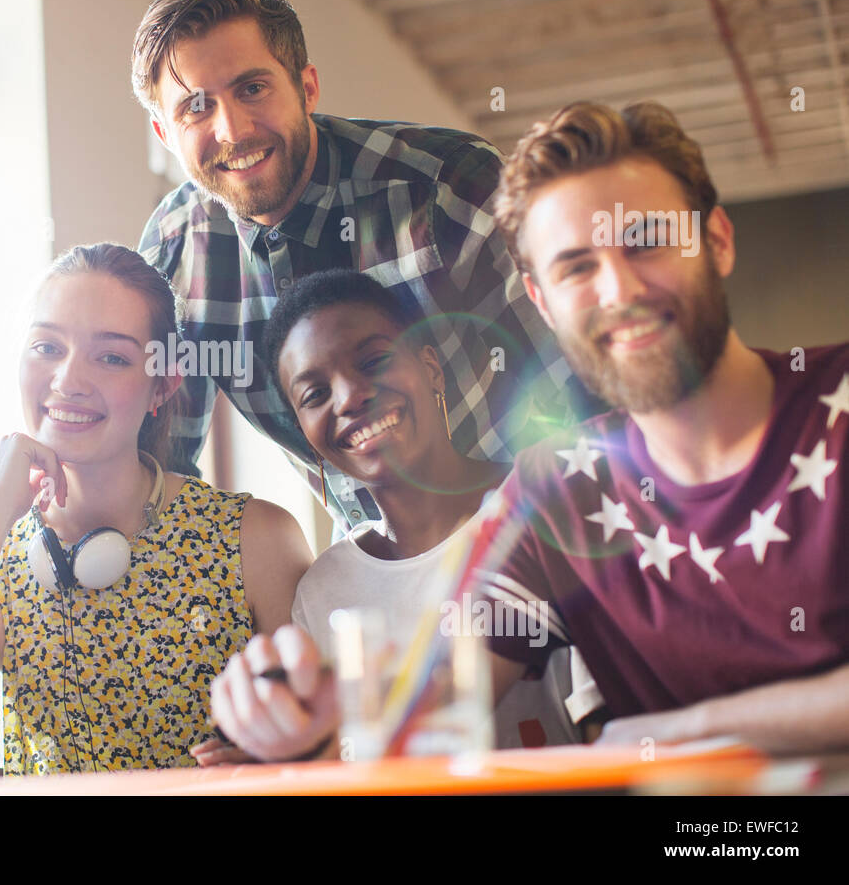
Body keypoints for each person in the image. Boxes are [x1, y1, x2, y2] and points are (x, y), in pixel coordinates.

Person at [225, 100, 848, 757]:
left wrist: (677, 731)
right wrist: (309, 727)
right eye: (577, 266)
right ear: (543, 300)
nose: (618, 289)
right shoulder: (558, 490)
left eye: (645, 241)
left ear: (716, 241)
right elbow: (433, 707)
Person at [133, 0, 589, 531]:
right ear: (163, 132)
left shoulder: (448, 184)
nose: (232, 130)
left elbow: (578, 389)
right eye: (196, 108)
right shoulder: (175, 252)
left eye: (252, 88)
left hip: (525, 529)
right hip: (367, 569)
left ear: (307, 87)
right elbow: (158, 472)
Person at [0, 243, 312, 786]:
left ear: (164, 384)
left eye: (111, 357)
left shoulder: (255, 539)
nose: (68, 381)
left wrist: (285, 760)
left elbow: (331, 746)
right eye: (46, 347)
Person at [199, 271, 599, 763]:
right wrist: (284, 763)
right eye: (314, 395)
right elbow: (342, 764)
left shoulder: (545, 507)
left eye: (374, 361)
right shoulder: (327, 586)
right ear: (305, 434)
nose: (348, 398)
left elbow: (610, 728)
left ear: (431, 368)